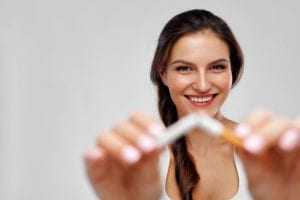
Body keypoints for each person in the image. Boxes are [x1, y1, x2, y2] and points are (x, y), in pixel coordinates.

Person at [84, 9, 300, 200]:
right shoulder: (143, 163)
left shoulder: (267, 158)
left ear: (232, 70)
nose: (203, 85)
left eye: (216, 67)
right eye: (184, 69)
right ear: (163, 72)